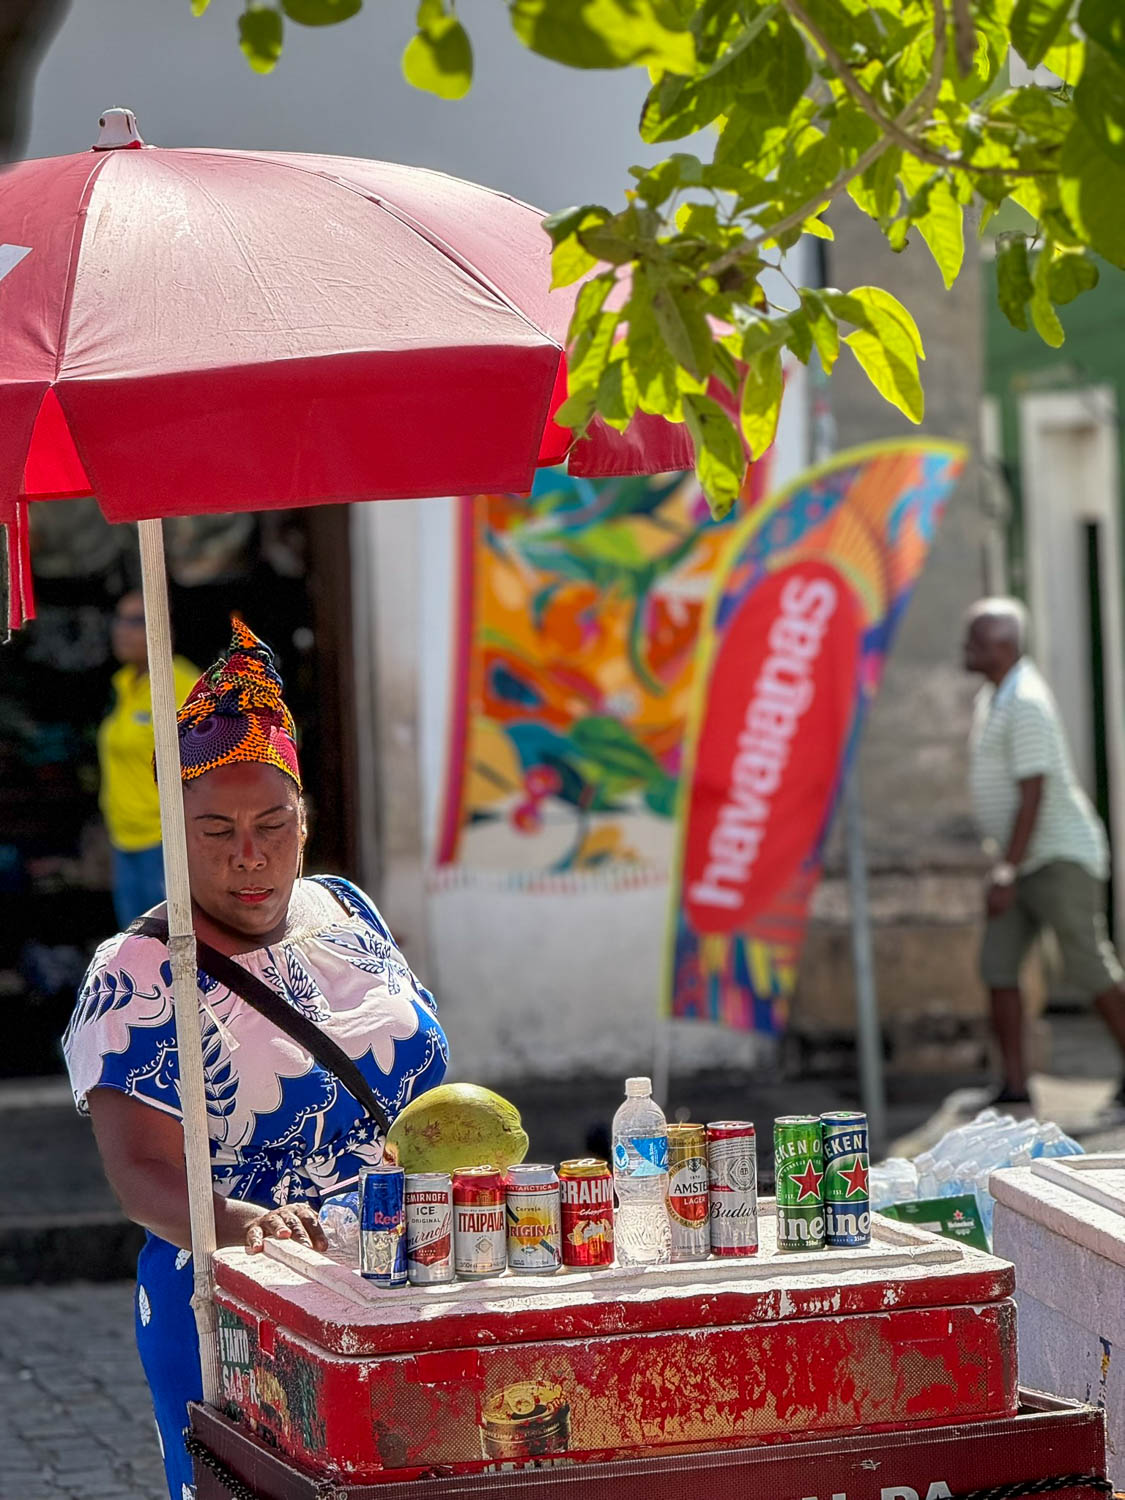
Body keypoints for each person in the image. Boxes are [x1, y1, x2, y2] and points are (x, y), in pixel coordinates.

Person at [65, 619, 448, 1500]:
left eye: (273, 822)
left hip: (405, 1282)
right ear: (172, 833)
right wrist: (244, 1227)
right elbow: (140, 1177)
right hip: (241, 1307)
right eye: (214, 831)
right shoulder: (138, 972)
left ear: (304, 818)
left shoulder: (347, 910)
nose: (250, 853)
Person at [963, 597, 1125, 1114]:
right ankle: (1014, 1083)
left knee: (1088, 965)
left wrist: (1005, 869)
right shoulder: (996, 697)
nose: (965, 649)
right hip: (1021, 860)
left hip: (1058, 857)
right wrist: (1007, 864)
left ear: (1005, 647)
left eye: (976, 640)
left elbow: (1034, 792)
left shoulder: (1026, 700)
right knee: (998, 965)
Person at [98, 591, 199, 928]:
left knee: (175, 953)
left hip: (166, 844)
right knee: (135, 954)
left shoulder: (185, 687)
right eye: (119, 619)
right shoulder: (124, 684)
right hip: (123, 841)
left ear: (163, 627)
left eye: (135, 621)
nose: (121, 630)